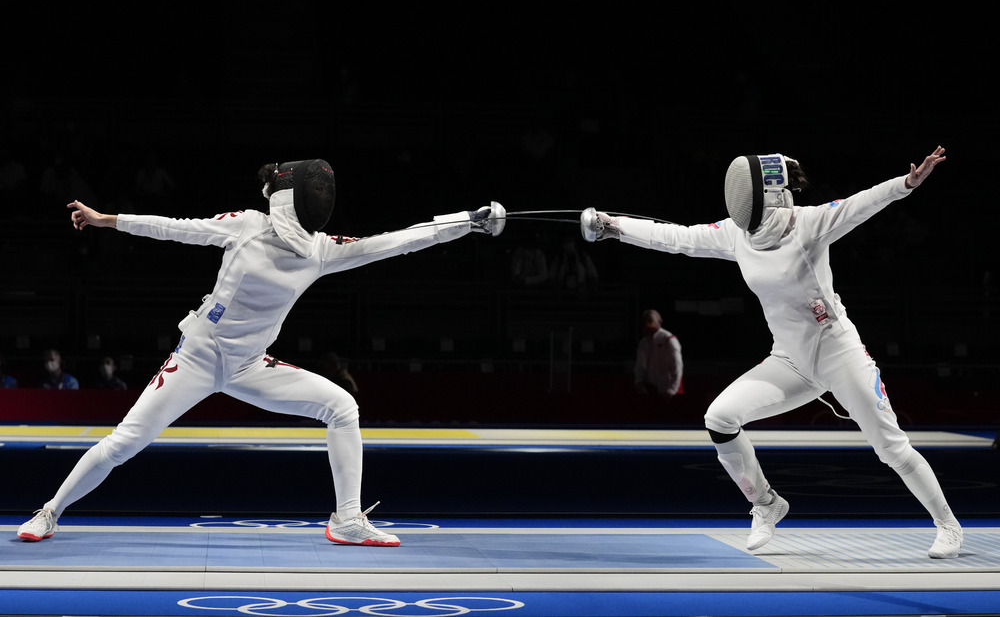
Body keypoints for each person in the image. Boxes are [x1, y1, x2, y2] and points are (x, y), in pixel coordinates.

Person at [17, 158, 506, 546]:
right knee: (125, 443)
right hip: (197, 358)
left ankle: (348, 519)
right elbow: (177, 227)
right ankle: (49, 512)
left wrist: (467, 222)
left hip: (251, 365)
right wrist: (108, 220)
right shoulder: (246, 225)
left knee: (342, 407)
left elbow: (394, 242)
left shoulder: (320, 251)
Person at [582, 146, 963, 559]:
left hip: (839, 354)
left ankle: (948, 526)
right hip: (790, 361)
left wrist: (906, 184)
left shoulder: (809, 223)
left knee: (891, 447)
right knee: (720, 417)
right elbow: (677, 237)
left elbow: (861, 204)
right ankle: (766, 504)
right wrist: (612, 226)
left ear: (769, 192)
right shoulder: (737, 233)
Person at [634, 309, 683, 397]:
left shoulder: (669, 340)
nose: (647, 324)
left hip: (668, 390)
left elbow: (677, 366)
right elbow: (640, 365)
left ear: (659, 321)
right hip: (650, 389)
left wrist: (672, 389)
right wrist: (639, 382)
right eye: (645, 322)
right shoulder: (643, 343)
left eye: (650, 321)